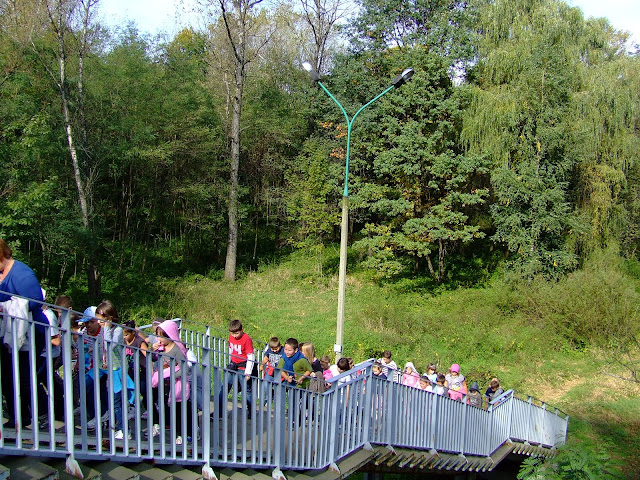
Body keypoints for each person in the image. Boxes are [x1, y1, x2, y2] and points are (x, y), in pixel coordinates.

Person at [0, 238, 48, 429]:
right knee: (7, 376)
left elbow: (36, 300)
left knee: (26, 377)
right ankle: (18, 416)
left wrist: (5, 307)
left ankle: (45, 415)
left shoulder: (21, 273)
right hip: (7, 332)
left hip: (29, 332)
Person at [150, 319, 191, 445]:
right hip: (164, 385)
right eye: (157, 336)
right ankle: (166, 429)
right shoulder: (161, 347)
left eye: (161, 337)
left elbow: (185, 368)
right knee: (165, 408)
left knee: (178, 411)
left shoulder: (176, 349)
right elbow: (153, 359)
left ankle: (181, 434)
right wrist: (153, 350)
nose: (159, 339)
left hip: (176, 386)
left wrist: (170, 374)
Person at [220, 319, 255, 418]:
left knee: (246, 390)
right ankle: (219, 411)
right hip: (233, 365)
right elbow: (231, 350)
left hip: (243, 367)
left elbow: (251, 356)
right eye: (232, 333)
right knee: (224, 387)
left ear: (242, 330)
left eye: (237, 333)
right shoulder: (230, 337)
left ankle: (251, 411)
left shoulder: (246, 339)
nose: (234, 336)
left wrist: (248, 372)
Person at [123, 319, 149, 418]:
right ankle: (132, 408)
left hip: (142, 370)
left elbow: (148, 356)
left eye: (126, 335)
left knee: (143, 391)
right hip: (130, 369)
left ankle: (150, 409)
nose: (124, 337)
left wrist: (151, 371)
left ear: (133, 333)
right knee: (130, 388)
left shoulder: (139, 342)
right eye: (123, 335)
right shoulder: (124, 341)